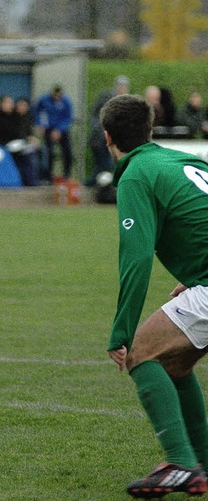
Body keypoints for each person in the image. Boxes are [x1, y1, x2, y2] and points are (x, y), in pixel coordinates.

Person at [102, 93, 208, 498]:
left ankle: (181, 464)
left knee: (144, 351)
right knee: (174, 364)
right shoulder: (185, 160)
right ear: (149, 130)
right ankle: (200, 464)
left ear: (108, 137)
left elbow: (137, 257)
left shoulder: (135, 175)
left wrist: (121, 332)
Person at [86, 75, 130, 186]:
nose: (123, 88)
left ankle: (95, 184)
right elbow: (96, 115)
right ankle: (91, 184)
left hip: (111, 140)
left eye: (125, 86)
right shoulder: (108, 97)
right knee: (104, 163)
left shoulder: (126, 101)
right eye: (121, 86)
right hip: (100, 139)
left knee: (106, 164)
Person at [0, 94, 38, 186]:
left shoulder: (17, 116)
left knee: (31, 151)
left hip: (20, 144)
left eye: (11, 102)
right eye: (7, 102)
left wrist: (31, 139)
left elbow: (23, 133)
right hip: (5, 144)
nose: (10, 104)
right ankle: (21, 181)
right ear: (1, 104)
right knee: (22, 154)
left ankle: (31, 181)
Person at [34, 85, 74, 180]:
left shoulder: (66, 101)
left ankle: (66, 174)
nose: (56, 98)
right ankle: (48, 175)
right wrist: (40, 124)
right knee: (49, 152)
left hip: (62, 129)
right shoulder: (44, 99)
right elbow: (37, 111)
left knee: (67, 152)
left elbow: (68, 118)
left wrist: (59, 130)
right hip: (49, 128)